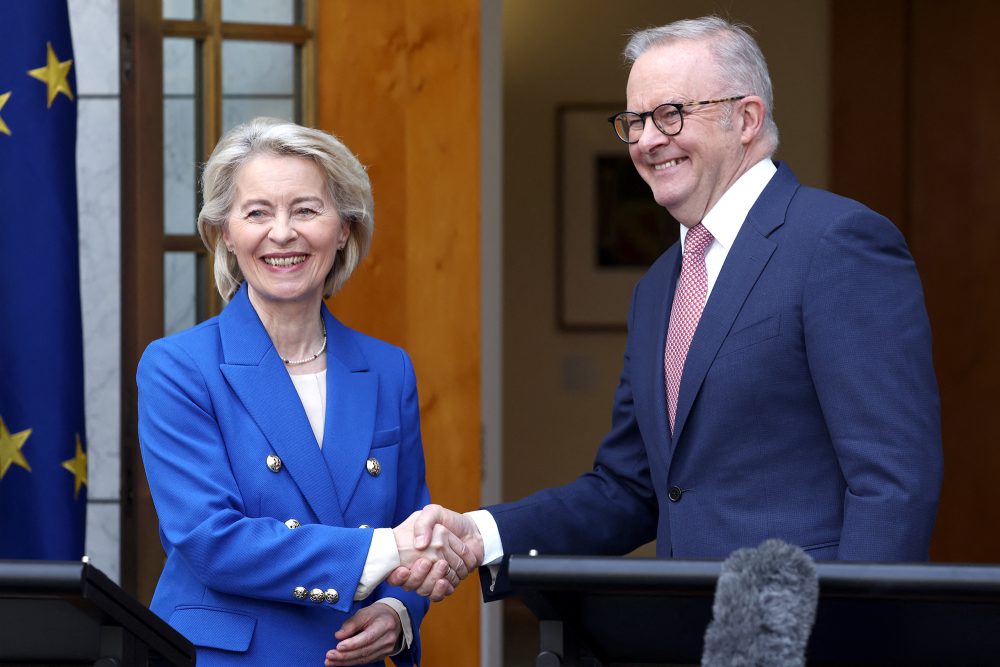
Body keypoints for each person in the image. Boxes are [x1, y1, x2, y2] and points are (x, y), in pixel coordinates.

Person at [390, 16, 944, 599]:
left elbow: (892, 482)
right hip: (685, 634)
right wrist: (481, 534)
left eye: (672, 114)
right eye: (634, 121)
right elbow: (631, 489)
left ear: (747, 118)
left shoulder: (836, 243)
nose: (648, 140)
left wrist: (857, 638)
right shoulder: (658, 285)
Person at [137, 117, 474, 665]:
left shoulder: (388, 369)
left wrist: (397, 614)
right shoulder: (177, 368)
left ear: (343, 228)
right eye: (257, 213)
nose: (283, 232)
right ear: (226, 232)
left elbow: (411, 523)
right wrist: (388, 549)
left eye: (306, 209)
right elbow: (209, 540)